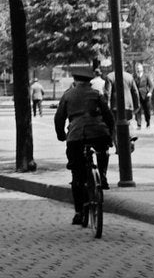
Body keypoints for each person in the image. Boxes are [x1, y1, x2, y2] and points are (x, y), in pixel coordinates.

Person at [55, 66, 115, 225]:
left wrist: (61, 135)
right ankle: (102, 175)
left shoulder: (68, 95)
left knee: (77, 175)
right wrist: (110, 133)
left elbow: (59, 118)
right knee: (103, 150)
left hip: (76, 135)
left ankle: (79, 212)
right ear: (89, 81)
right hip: (98, 132)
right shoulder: (96, 94)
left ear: (75, 80)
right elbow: (109, 116)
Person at [133, 63, 154, 129]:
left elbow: (151, 86)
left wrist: (150, 92)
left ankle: (148, 123)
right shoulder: (133, 76)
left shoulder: (146, 76)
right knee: (138, 110)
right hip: (137, 96)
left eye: (139, 68)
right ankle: (139, 125)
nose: (138, 69)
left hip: (145, 96)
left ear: (142, 68)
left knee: (147, 111)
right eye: (137, 68)